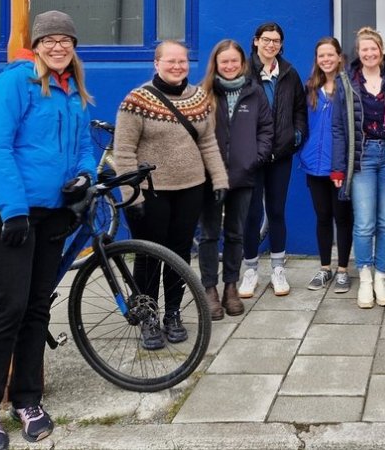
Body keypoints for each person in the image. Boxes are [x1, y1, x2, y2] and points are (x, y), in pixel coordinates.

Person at [0, 10, 97, 449]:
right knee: (9, 308)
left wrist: (84, 175)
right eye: (50, 40)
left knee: (38, 308)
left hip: (54, 212)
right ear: (37, 45)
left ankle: (28, 399)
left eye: (66, 40)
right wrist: (15, 209)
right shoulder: (14, 82)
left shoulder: (73, 91)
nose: (58, 47)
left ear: (74, 46)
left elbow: (82, 147)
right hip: (9, 213)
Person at [113, 40, 229, 349]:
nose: (177, 66)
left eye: (182, 61)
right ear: (156, 63)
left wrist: (218, 180)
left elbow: (208, 143)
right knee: (149, 256)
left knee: (178, 256)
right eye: (170, 61)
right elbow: (123, 152)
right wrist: (131, 193)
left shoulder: (199, 98)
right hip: (151, 193)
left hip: (190, 189)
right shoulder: (136, 100)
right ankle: (148, 317)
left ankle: (173, 313)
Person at [200, 39, 273, 320]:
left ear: (242, 63)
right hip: (209, 178)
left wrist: (255, 158)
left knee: (235, 234)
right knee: (208, 236)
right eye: (224, 62)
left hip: (243, 176)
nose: (229, 66)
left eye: (234, 61)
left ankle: (231, 286)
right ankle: (209, 290)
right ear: (216, 65)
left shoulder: (254, 93)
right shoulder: (203, 94)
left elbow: (267, 129)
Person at [332, 27, 385, 309]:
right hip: (360, 157)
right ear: (358, 53)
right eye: (364, 49)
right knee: (364, 223)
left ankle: (381, 277)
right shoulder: (346, 81)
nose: (370, 54)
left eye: (374, 48)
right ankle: (364, 276)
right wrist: (337, 168)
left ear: (381, 49)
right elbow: (337, 128)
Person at [240, 22, 308, 297]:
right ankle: (250, 270)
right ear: (256, 41)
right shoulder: (243, 72)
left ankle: (278, 269)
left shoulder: (289, 73)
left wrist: (297, 134)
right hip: (251, 155)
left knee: (277, 211)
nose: (271, 45)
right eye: (266, 40)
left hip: (280, 154)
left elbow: (300, 108)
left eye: (276, 41)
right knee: (252, 213)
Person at [298, 37, 354, 293]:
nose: (326, 60)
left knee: (342, 218)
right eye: (322, 56)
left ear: (340, 57)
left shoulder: (348, 87)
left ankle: (343, 270)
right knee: (322, 217)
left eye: (331, 55)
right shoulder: (310, 88)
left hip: (339, 165)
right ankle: (324, 268)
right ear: (317, 60)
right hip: (314, 165)